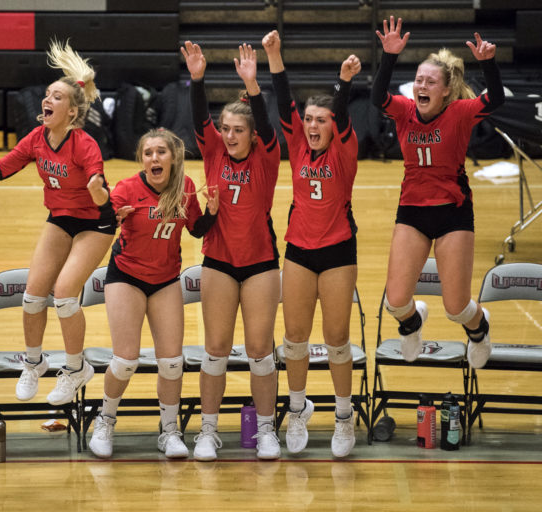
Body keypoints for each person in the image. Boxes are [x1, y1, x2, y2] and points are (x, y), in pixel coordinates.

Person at [0, 40, 115, 406]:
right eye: (47, 94)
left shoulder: (85, 145)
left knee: (66, 294)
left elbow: (102, 198)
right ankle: (34, 363)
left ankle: (75, 369)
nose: (46, 100)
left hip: (95, 222)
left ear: (71, 111)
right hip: (61, 218)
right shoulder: (37, 138)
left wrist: (97, 189)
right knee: (33, 295)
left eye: (56, 96)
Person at [372, 17, 504, 369]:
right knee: (396, 301)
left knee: (457, 307)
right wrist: (389, 56)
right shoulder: (405, 111)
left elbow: (495, 99)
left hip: (453, 212)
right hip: (412, 210)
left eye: (430, 81)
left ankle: (480, 329)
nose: (422, 86)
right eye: (418, 80)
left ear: (446, 89)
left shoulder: (460, 113)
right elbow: (377, 96)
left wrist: (488, 62)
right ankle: (412, 323)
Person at [88, 128, 219, 459]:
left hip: (165, 279)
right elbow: (103, 220)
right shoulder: (128, 188)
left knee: (172, 362)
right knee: (126, 360)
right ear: (141, 160)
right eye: (148, 153)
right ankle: (105, 421)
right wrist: (111, 214)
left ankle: (170, 431)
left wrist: (213, 212)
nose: (154, 158)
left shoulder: (185, 187)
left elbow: (195, 228)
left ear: (172, 157)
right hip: (126, 276)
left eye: (161, 152)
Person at [262, 30, 361, 458]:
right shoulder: (298, 144)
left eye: (323, 119)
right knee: (295, 337)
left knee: (337, 337)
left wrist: (344, 83)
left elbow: (341, 113)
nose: (315, 125)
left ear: (333, 125)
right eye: (310, 120)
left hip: (338, 249)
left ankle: (344, 417)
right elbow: (283, 102)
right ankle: (298, 407)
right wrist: (274, 55)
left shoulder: (344, 148)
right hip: (299, 249)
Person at [181, 41, 282, 461]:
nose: (231, 135)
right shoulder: (213, 151)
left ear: (253, 135)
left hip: (260, 262)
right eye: (226, 129)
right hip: (219, 261)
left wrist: (251, 83)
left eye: (239, 130)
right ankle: (207, 431)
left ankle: (266, 430)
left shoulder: (268, 155)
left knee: (260, 349)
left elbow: (266, 121)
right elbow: (198, 114)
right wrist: (198, 78)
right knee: (216, 347)